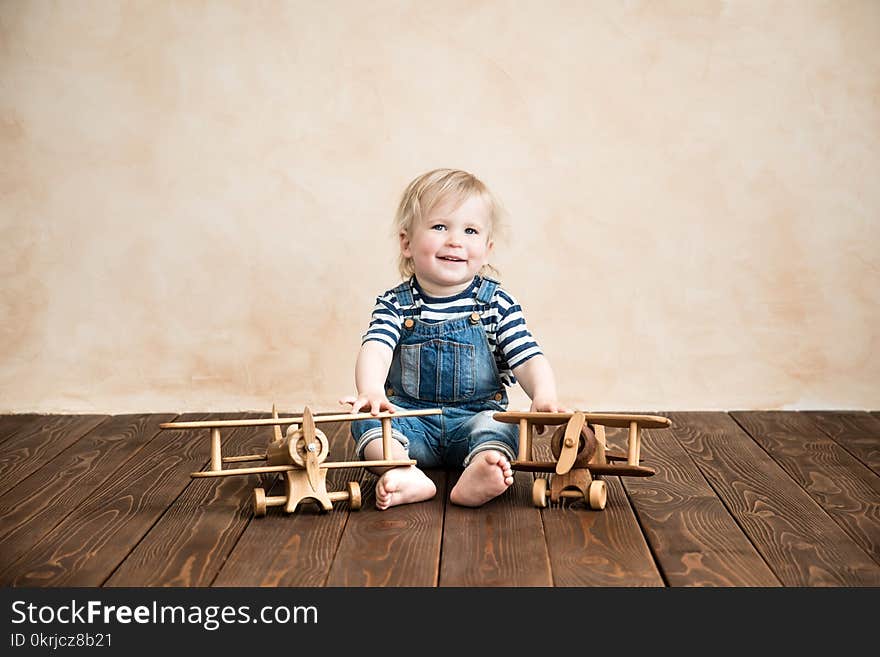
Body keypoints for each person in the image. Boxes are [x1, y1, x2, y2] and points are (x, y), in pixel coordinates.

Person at [340, 168, 564, 510]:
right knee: (369, 423)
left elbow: (527, 354)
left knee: (503, 426)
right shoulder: (396, 305)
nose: (455, 240)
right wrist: (370, 391)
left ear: (487, 249)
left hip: (474, 419)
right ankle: (401, 470)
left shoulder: (494, 304)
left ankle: (481, 470)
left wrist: (544, 395)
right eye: (439, 226)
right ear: (406, 243)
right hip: (411, 422)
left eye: (470, 230)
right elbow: (377, 346)